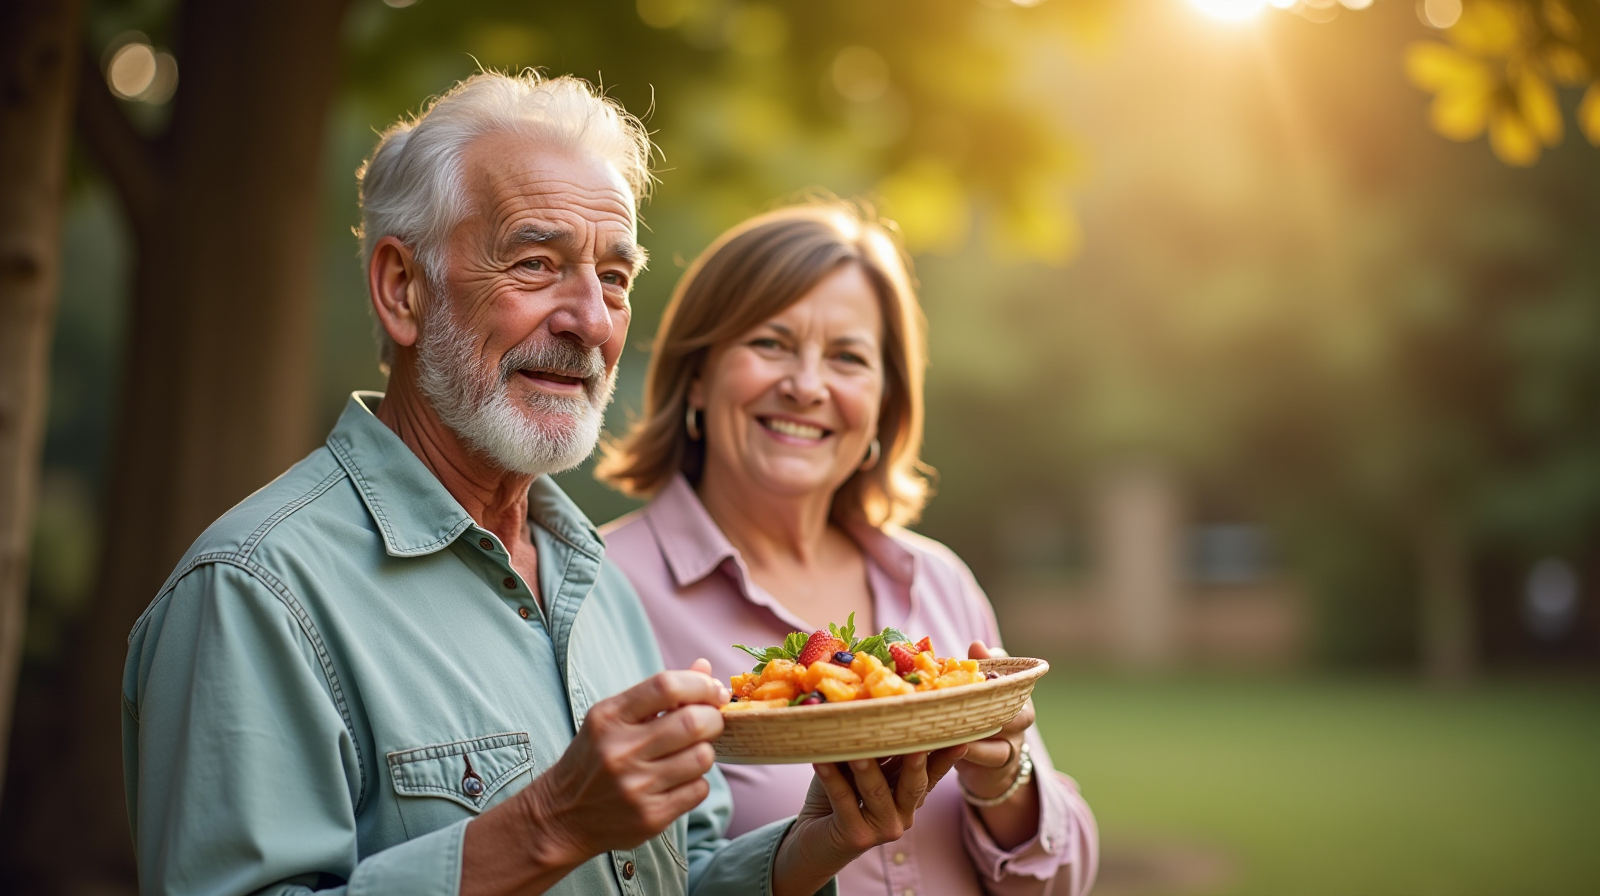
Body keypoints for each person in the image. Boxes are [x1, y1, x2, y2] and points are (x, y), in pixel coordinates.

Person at [120, 73, 963, 896]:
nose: (590, 320)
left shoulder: (596, 584)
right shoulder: (251, 590)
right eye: (535, 263)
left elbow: (682, 874)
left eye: (615, 278)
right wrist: (551, 824)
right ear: (402, 288)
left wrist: (811, 847)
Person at [597, 203, 1100, 896]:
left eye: (847, 357)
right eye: (770, 343)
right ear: (697, 376)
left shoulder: (939, 581)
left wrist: (1003, 780)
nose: (807, 386)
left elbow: (1064, 880)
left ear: (883, 403)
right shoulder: (597, 593)